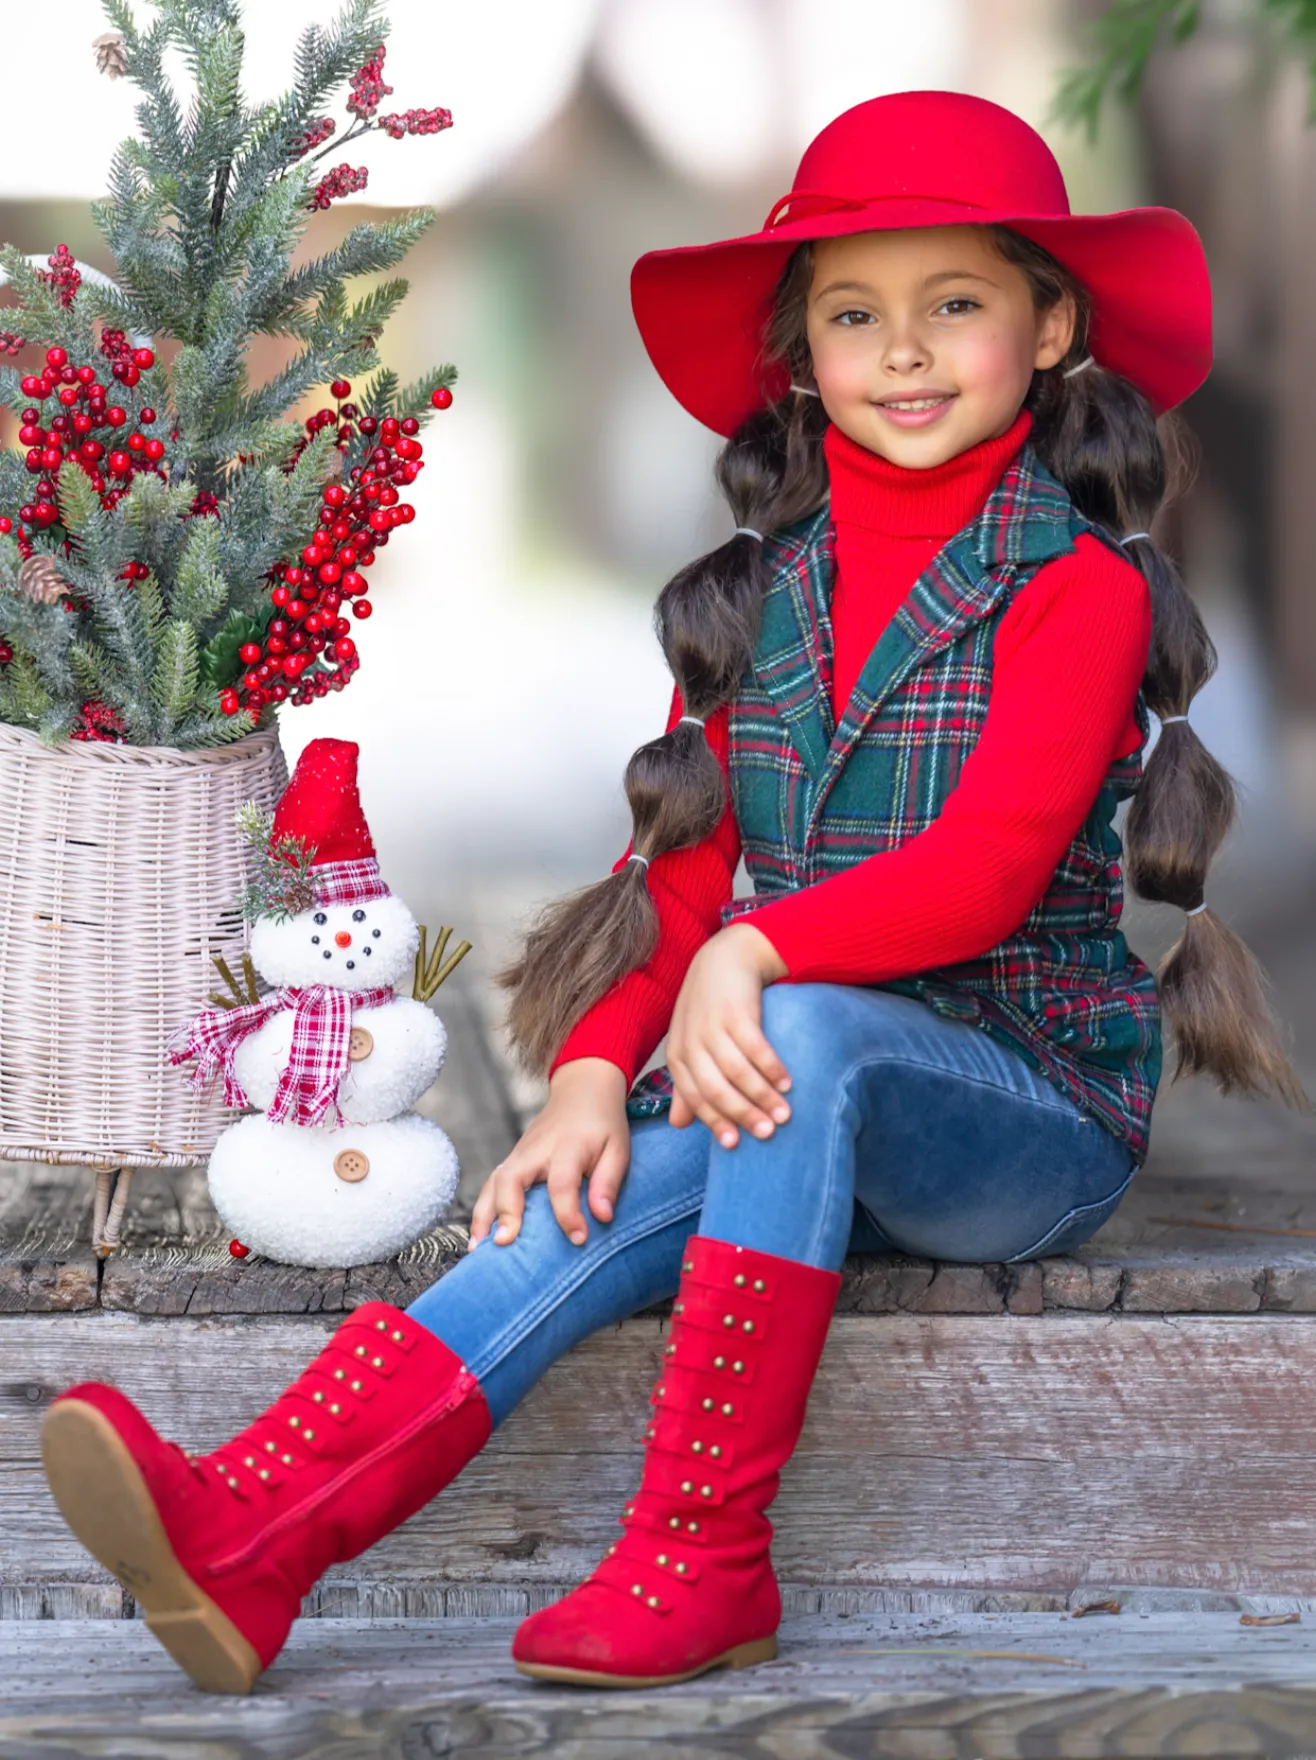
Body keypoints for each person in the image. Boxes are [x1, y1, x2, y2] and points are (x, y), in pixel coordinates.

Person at [39, 89, 1305, 1699]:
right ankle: (254, 1526)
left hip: (1020, 1109)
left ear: (1050, 328)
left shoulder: (1071, 587)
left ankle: (703, 1552)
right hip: (784, 1072)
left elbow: (982, 874)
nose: (904, 352)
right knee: (588, 1181)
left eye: (957, 305)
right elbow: (683, 867)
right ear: (802, 354)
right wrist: (583, 1074)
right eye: (856, 314)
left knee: (809, 1045)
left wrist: (761, 955)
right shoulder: (760, 594)